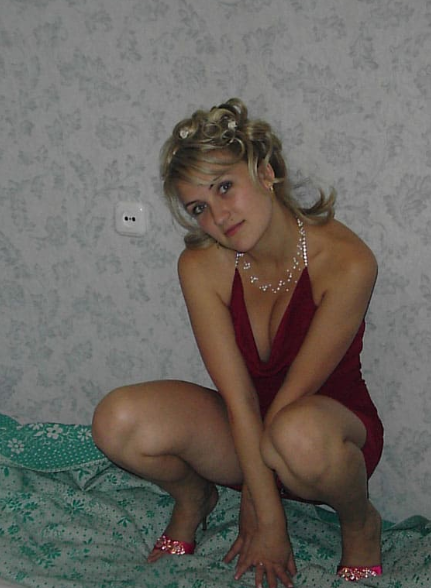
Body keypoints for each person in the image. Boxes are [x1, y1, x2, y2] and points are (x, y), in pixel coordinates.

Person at [92, 98, 384, 587]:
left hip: (326, 434)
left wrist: (260, 509)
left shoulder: (348, 262)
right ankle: (195, 499)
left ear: (265, 172)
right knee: (115, 419)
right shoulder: (201, 266)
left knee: (295, 432)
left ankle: (359, 523)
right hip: (243, 425)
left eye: (225, 187)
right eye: (199, 208)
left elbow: (290, 398)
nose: (219, 215)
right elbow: (240, 398)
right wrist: (262, 503)